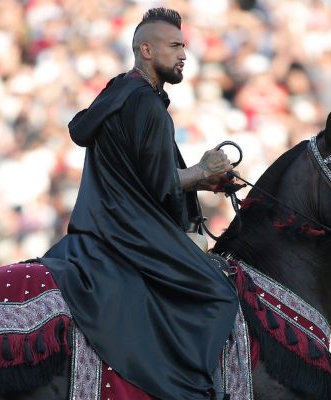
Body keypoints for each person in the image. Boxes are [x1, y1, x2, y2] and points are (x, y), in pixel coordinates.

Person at [42, 7, 239, 400]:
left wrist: (203, 180)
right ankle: (192, 389)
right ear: (146, 50)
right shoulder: (147, 105)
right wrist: (201, 171)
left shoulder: (120, 90)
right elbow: (159, 187)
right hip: (132, 231)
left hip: (101, 224)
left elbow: (141, 177)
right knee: (218, 294)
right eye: (175, 46)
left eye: (185, 45)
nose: (184, 54)